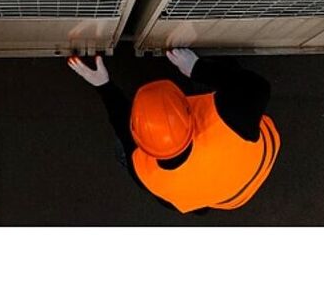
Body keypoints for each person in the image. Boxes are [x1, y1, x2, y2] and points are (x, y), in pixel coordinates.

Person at [68, 48, 280, 214]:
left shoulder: (148, 174)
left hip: (225, 198)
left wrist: (103, 85)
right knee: (231, 78)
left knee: (123, 148)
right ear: (187, 112)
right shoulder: (230, 117)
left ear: (139, 137)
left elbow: (122, 125)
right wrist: (197, 68)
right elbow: (257, 86)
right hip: (255, 162)